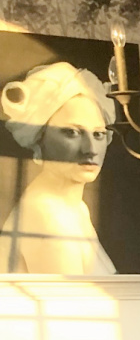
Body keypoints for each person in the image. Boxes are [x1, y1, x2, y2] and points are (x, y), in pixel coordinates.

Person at [0, 61, 116, 275]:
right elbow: (71, 308)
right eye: (72, 132)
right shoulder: (47, 215)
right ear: (40, 138)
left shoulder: (74, 207)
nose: (91, 149)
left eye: (98, 134)